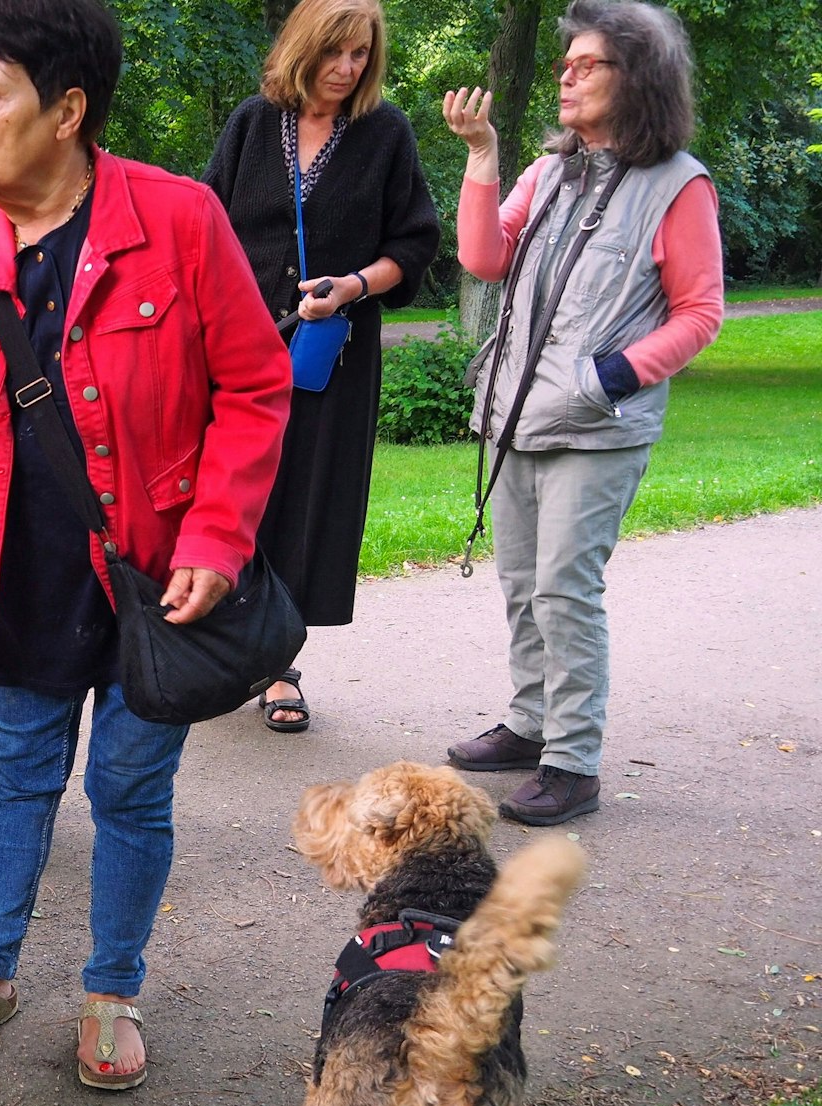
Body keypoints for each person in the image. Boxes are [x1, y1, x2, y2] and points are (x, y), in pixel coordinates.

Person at [0, 0, 290, 1091]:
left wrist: (216, 535)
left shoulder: (177, 220)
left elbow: (256, 387)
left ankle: (111, 988)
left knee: (127, 793)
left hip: (151, 596)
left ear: (66, 110)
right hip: (12, 591)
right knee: (17, 784)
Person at [441, 0, 721, 825]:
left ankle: (573, 759)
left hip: (597, 426)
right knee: (523, 581)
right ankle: (531, 723)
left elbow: (700, 313)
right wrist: (483, 158)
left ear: (637, 78)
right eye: (565, 62)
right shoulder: (551, 171)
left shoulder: (680, 185)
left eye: (586, 63)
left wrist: (608, 379)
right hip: (520, 414)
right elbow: (483, 257)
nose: (566, 73)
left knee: (565, 587)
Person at [202, 0, 440, 734]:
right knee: (228, 494)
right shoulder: (250, 123)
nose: (347, 67)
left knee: (305, 501)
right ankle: (213, 653)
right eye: (335, 51)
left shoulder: (385, 134)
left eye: (360, 54)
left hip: (328, 357)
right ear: (304, 47)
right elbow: (203, 224)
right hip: (238, 348)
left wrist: (352, 288)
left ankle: (278, 666)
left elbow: (416, 243)